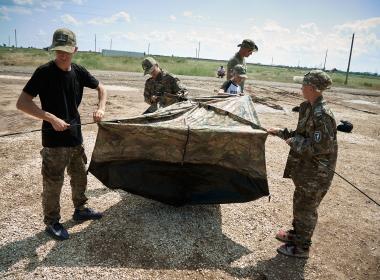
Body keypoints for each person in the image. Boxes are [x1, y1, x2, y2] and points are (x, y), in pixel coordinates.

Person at [16, 28, 108, 241]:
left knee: (79, 176)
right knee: (53, 182)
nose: (62, 55)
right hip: (54, 141)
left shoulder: (78, 71)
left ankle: (81, 209)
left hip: (76, 138)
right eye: (58, 50)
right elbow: (22, 103)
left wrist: (101, 108)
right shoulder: (44, 72)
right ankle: (52, 222)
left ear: (75, 49)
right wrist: (50, 118)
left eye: (66, 50)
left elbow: (102, 88)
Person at [267, 70, 337, 258]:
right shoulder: (309, 107)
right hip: (306, 169)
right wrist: (281, 132)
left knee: (306, 208)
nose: (301, 88)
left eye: (304, 84)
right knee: (300, 203)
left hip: (317, 172)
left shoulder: (323, 115)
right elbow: (302, 135)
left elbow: (321, 147)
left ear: (313, 88)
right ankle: (297, 235)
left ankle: (302, 247)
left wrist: (294, 142)